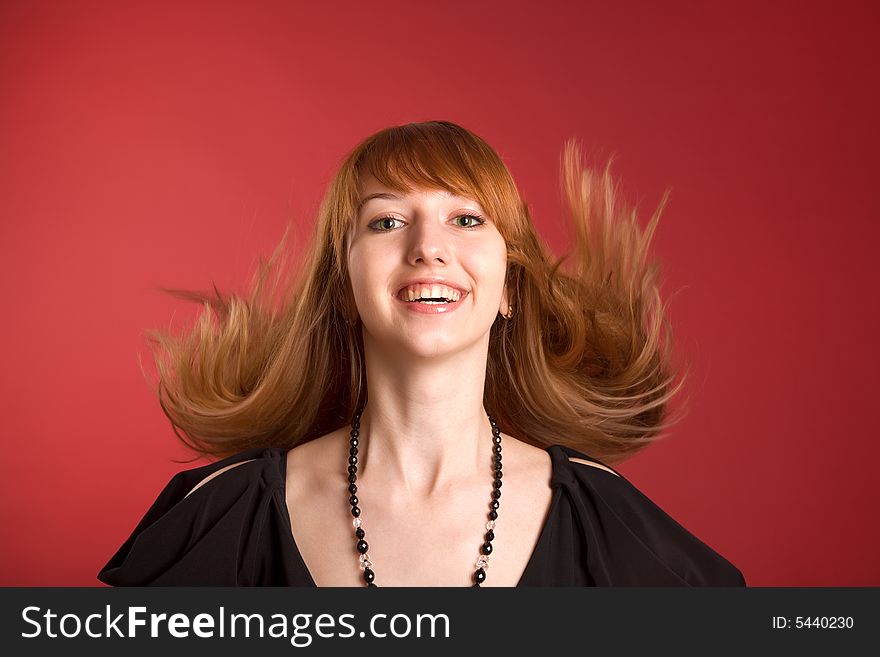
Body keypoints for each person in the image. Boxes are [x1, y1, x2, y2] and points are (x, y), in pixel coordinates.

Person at [98, 120, 745, 587]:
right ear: (344, 290)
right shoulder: (227, 516)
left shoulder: (605, 521)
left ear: (509, 288)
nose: (428, 246)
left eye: (466, 218)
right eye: (386, 220)